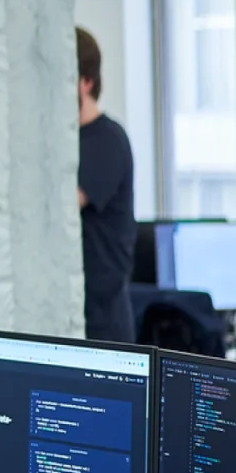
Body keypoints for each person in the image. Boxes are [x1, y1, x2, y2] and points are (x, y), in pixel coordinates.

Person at [77, 27, 137, 344]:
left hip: (102, 324)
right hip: (79, 312)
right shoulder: (67, 141)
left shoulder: (107, 140)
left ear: (86, 81)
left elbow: (60, 206)